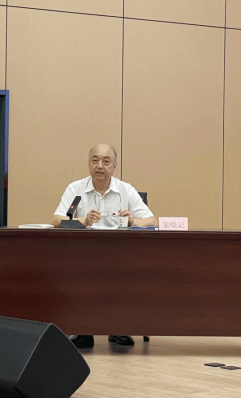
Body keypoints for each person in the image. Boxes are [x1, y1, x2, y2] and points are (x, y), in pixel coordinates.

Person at [52, 144, 158, 348]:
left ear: (114, 166)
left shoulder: (125, 190)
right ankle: (83, 330)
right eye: (95, 160)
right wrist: (83, 220)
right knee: (77, 270)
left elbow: (152, 221)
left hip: (120, 255)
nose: (99, 166)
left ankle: (118, 327)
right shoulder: (75, 189)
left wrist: (132, 221)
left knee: (123, 271)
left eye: (106, 161)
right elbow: (57, 220)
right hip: (83, 254)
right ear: (89, 164)